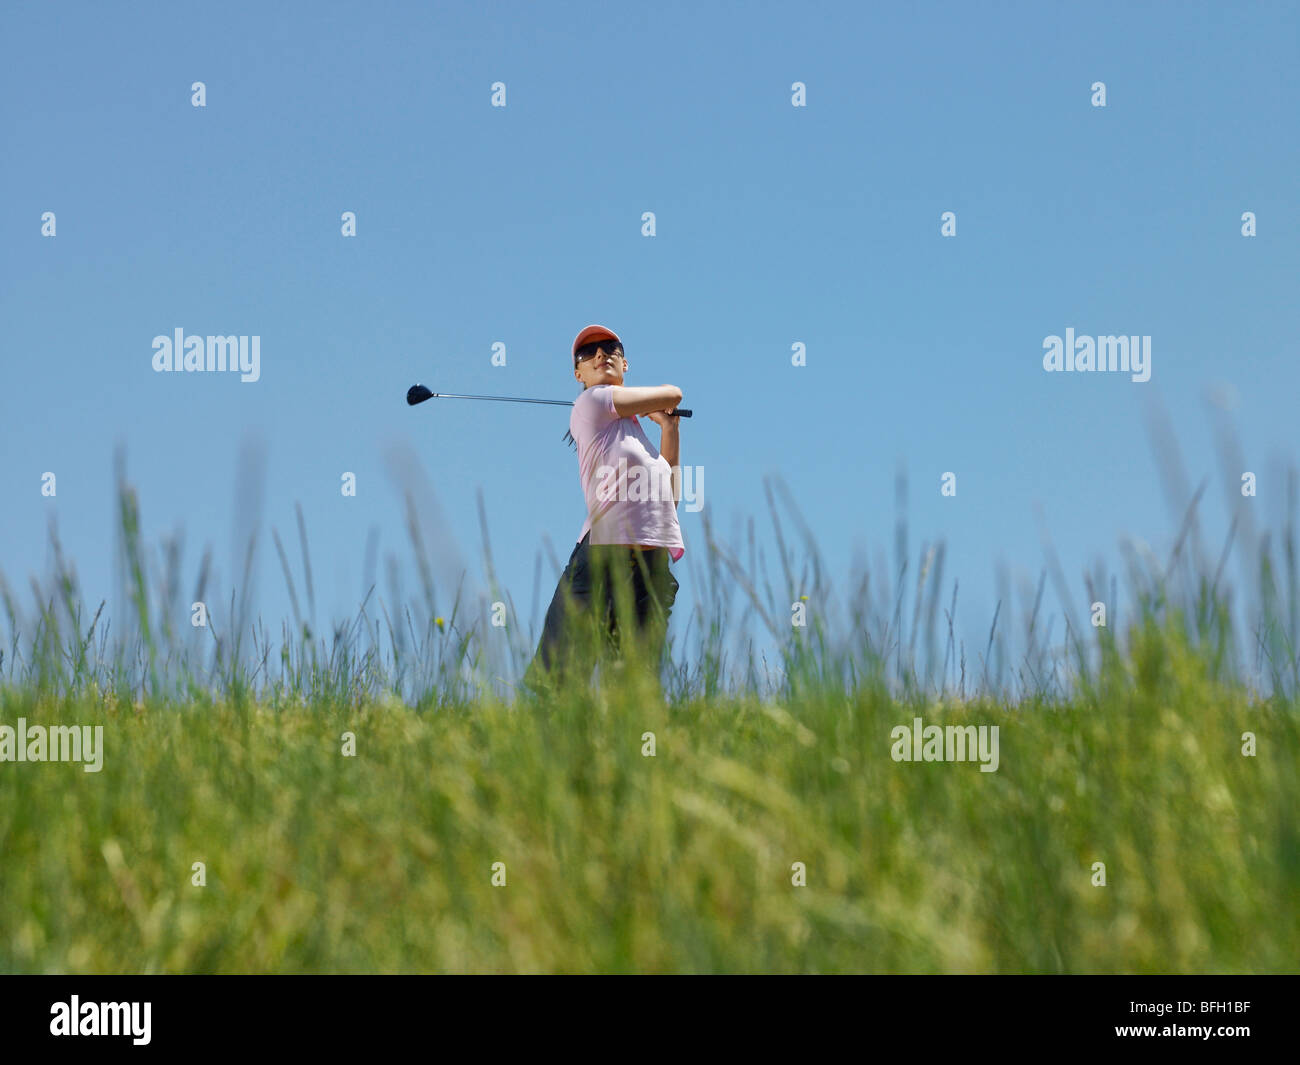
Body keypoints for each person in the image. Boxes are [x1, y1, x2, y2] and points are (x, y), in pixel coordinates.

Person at [522, 324, 686, 694]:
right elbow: (675, 391)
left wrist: (670, 428)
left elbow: (669, 501)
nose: (601, 354)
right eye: (588, 352)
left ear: (624, 363)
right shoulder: (591, 403)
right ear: (578, 375)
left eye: (610, 347)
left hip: (650, 567)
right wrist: (662, 402)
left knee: (632, 686)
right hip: (601, 556)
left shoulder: (638, 436)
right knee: (561, 678)